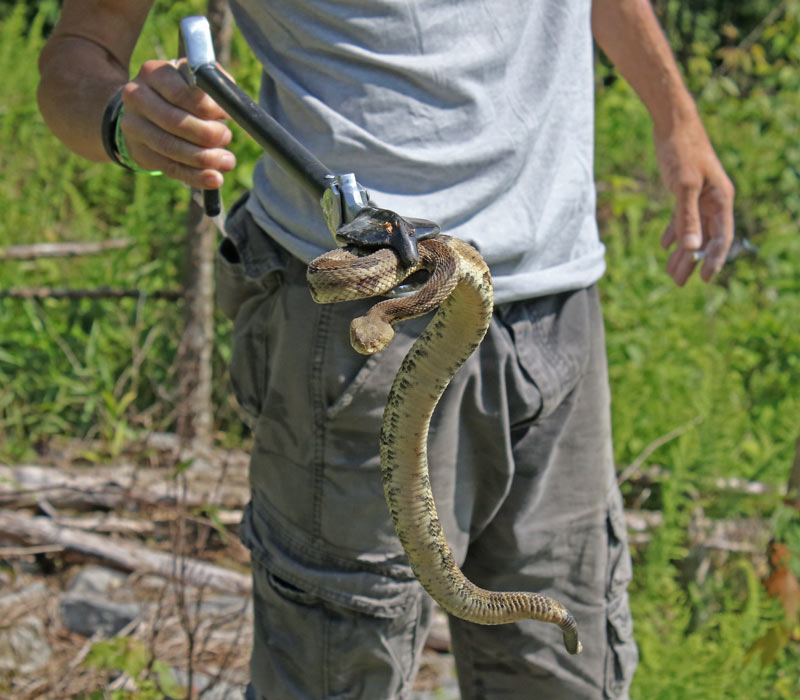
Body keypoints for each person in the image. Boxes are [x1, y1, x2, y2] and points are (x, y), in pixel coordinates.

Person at [38, 1, 734, 698]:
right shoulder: (364, 322)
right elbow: (80, 50)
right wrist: (122, 121)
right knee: (336, 674)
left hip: (559, 304)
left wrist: (675, 113)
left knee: (566, 675)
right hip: (350, 335)